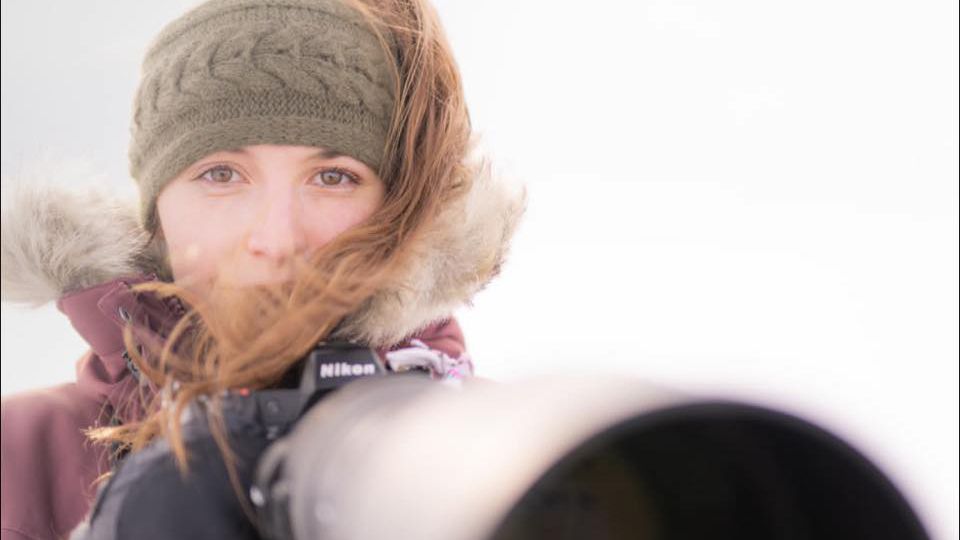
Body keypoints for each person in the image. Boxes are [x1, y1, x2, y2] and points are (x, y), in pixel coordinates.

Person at [0, 0, 525, 538]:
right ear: (155, 217)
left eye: (333, 178)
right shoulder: (18, 459)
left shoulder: (516, 459)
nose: (275, 240)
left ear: (405, 211)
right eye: (221, 174)